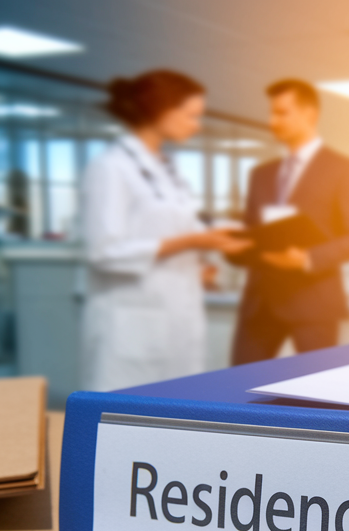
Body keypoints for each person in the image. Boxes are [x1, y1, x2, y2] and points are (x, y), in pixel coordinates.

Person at [81, 70, 248, 391]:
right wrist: (191, 241)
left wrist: (216, 243)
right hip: (131, 323)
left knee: (174, 413)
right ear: (163, 110)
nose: (196, 125)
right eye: (191, 116)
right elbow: (102, 252)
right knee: (126, 421)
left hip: (177, 315)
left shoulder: (168, 170)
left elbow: (187, 225)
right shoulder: (110, 167)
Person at [228, 79, 349, 365]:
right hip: (260, 304)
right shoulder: (261, 174)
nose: (272, 121)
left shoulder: (344, 169)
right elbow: (250, 233)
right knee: (237, 392)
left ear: (311, 114)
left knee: (317, 396)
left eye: (282, 113)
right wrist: (232, 248)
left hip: (313, 301)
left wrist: (308, 258)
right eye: (271, 113)